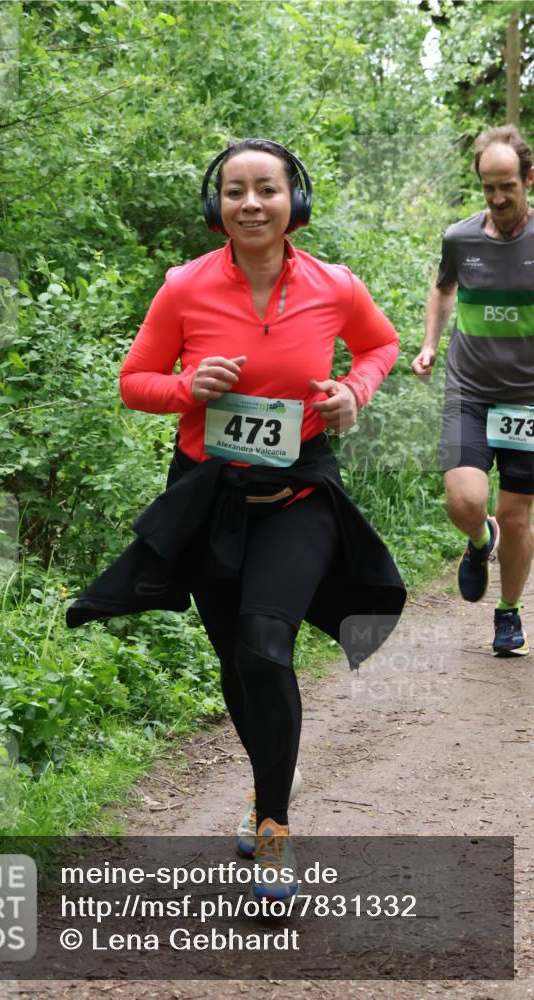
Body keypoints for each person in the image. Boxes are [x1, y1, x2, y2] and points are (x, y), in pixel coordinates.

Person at [67, 138, 406, 900]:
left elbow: (380, 345)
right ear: (215, 203)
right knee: (234, 660)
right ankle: (262, 791)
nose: (250, 204)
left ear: (295, 201)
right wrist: (185, 387)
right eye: (233, 191)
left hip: (299, 496)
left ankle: (274, 832)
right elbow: (134, 382)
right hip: (212, 502)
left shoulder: (334, 284)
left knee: (263, 645)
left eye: (266, 190)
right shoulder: (184, 287)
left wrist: (355, 391)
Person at [412, 124, 534, 657]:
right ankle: (479, 538)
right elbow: (442, 289)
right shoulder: (460, 238)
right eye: (489, 187)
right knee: (465, 500)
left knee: (518, 514)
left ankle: (508, 611)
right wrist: (430, 344)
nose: (499, 197)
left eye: (508, 185)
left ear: (529, 179)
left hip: (529, 400)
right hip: (471, 390)